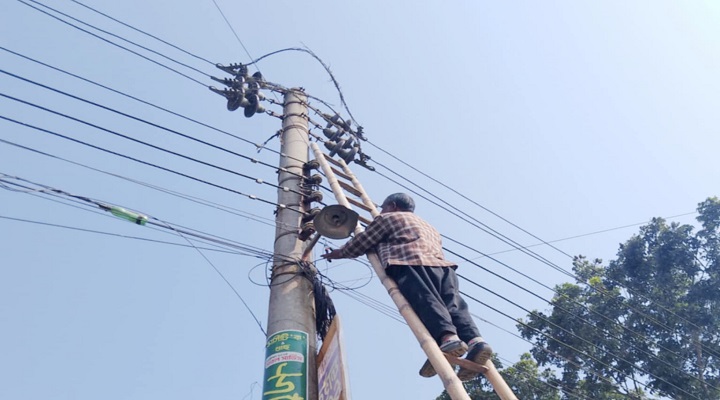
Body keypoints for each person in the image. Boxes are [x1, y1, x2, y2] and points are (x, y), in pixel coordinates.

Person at [321, 193, 492, 380]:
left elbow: (363, 242)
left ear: (393, 206)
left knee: (426, 301)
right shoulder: (429, 226)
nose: (381, 211)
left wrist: (339, 253)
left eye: (383, 207)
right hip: (444, 268)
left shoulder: (388, 218)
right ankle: (475, 341)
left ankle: (447, 340)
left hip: (410, 262)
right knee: (453, 304)